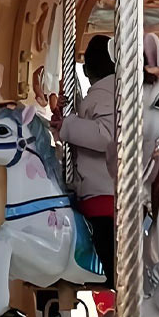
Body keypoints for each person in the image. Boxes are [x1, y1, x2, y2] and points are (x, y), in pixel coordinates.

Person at [51, 34, 115, 287]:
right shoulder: (104, 94)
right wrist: (67, 118)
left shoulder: (106, 94)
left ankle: (114, 282)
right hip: (96, 186)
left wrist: (68, 124)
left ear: (88, 68)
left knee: (105, 248)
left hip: (104, 189)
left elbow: (106, 136)